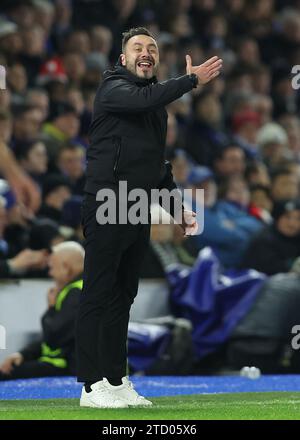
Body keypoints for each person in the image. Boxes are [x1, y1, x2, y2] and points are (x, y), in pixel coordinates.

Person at [77, 26, 221, 409]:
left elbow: (158, 170)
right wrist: (191, 80)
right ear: (122, 59)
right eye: (137, 48)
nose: (146, 53)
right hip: (109, 200)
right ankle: (90, 386)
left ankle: (115, 378)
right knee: (98, 292)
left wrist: (179, 209)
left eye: (152, 49)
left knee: (123, 295)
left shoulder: (155, 107)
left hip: (136, 205)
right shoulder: (113, 88)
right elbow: (146, 98)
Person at [0, 241, 84, 380]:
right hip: (74, 364)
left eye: (52, 268)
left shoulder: (76, 293)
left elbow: (53, 337)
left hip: (70, 367)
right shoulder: (82, 288)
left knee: (7, 373)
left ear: (66, 267)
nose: (50, 273)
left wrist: (50, 309)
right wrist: (23, 355)